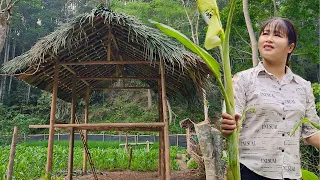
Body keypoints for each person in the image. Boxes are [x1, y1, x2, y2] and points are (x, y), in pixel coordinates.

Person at [221, 17, 320, 180]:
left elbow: (311, 133)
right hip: (250, 172)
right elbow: (229, 120)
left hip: (291, 174)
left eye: (277, 35)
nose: (268, 38)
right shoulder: (243, 79)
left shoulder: (303, 86)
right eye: (265, 34)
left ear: (290, 47)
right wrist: (228, 124)